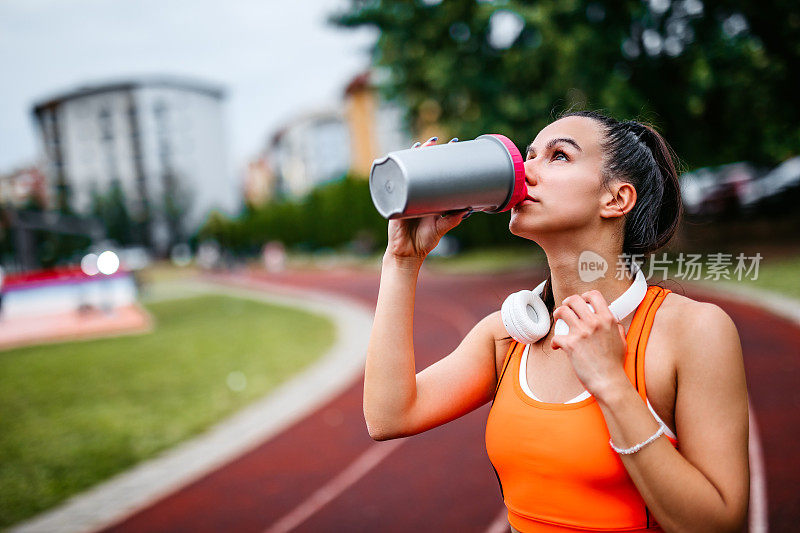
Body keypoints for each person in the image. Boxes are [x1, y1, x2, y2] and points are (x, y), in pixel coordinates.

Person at [363, 111, 750, 532]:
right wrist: (402, 261)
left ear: (616, 199)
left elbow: (720, 524)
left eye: (559, 156)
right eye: (528, 156)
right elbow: (388, 417)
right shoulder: (508, 337)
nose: (524, 172)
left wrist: (612, 385)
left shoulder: (693, 332)